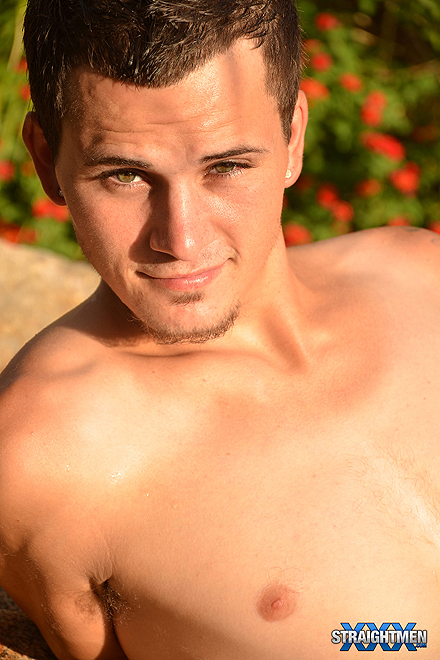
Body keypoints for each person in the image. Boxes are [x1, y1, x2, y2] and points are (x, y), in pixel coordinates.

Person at [0, 0, 439, 658]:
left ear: (293, 138)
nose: (182, 240)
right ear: (44, 158)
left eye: (227, 166)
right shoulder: (43, 459)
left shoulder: (423, 277)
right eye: (125, 175)